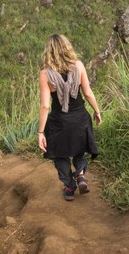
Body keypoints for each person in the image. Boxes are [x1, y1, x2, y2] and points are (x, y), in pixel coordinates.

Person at [37, 34, 102, 201]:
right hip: (80, 117)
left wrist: (40, 133)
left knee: (60, 155)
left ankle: (69, 187)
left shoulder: (45, 74)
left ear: (48, 52)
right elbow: (87, 93)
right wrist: (97, 111)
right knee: (79, 148)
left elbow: (45, 106)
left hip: (59, 122)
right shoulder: (78, 66)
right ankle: (80, 175)